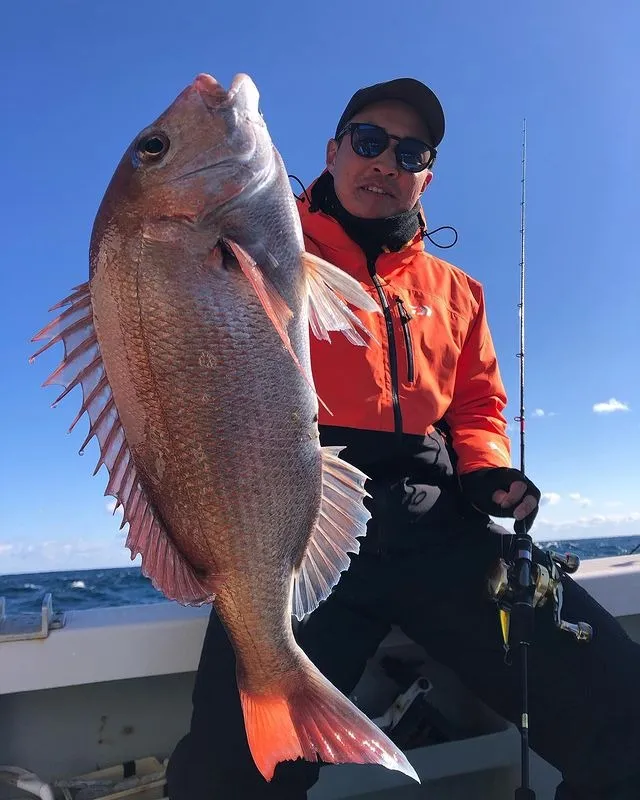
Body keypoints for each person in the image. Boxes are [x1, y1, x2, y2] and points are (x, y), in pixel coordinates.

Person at [166, 78, 640, 800]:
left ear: (427, 175)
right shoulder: (252, 246)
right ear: (331, 151)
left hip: (436, 525)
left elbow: (478, 404)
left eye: (410, 151)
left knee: (623, 711)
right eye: (368, 141)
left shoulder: (459, 291)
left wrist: (486, 472)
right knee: (227, 777)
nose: (385, 161)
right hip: (299, 518)